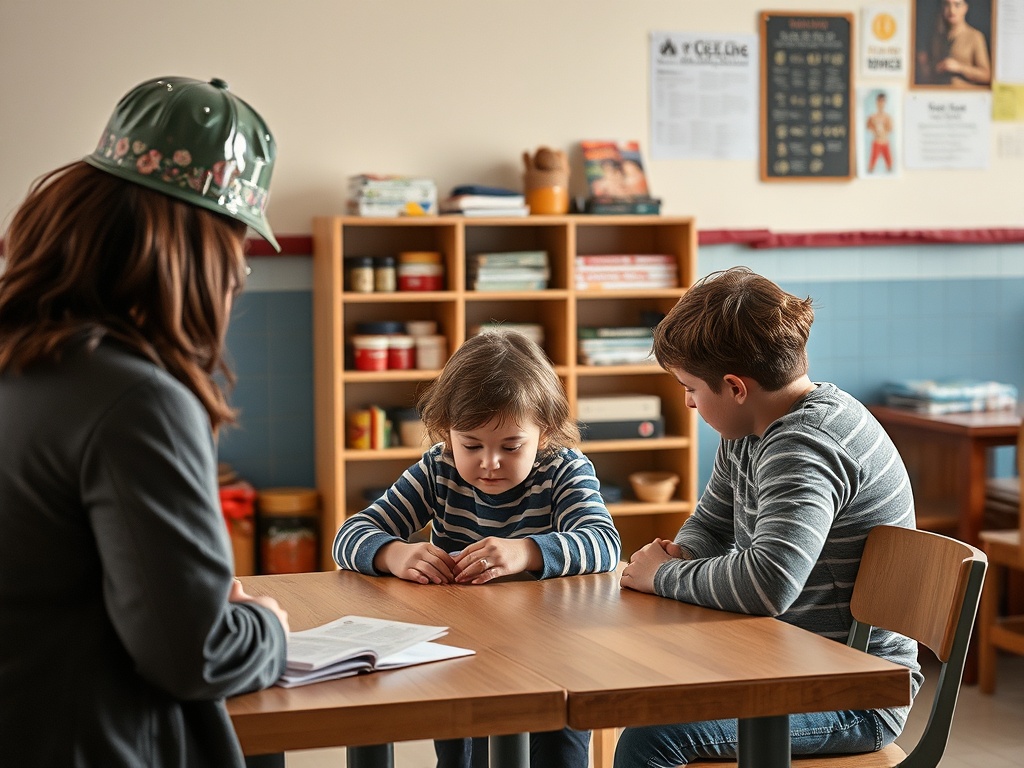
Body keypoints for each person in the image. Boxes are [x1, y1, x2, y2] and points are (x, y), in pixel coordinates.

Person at [0, 76, 289, 768]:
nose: (234, 286)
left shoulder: (24, 358)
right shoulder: (138, 402)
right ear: (203, 253)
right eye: (236, 262)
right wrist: (265, 628)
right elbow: (194, 651)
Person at [614, 267, 921, 767]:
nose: (688, 402)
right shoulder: (753, 430)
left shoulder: (804, 444)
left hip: (850, 694)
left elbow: (768, 584)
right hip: (781, 661)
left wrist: (664, 575)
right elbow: (711, 523)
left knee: (653, 736)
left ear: (735, 387)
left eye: (690, 389)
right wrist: (683, 552)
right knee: (643, 683)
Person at [334, 329, 621, 768]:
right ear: (446, 433)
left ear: (543, 433)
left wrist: (527, 552)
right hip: (461, 661)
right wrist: (393, 554)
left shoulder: (564, 470)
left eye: (511, 446)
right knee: (462, 757)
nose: (489, 462)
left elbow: (604, 544)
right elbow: (350, 534)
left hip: (555, 659)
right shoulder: (439, 469)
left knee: (556, 758)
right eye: (471, 445)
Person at [916, 0, 991, 87]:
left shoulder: (975, 36)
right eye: (947, 5)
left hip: (965, 96)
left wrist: (959, 67)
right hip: (939, 95)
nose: (951, 10)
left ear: (965, 8)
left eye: (957, 5)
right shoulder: (937, 37)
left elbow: (986, 76)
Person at [866, 92, 894, 173]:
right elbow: (868, 126)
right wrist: (874, 131)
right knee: (871, 166)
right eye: (879, 101)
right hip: (876, 142)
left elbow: (890, 129)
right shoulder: (872, 116)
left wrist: (884, 130)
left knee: (890, 165)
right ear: (877, 102)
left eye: (883, 101)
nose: (881, 103)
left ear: (885, 103)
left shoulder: (888, 117)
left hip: (885, 142)